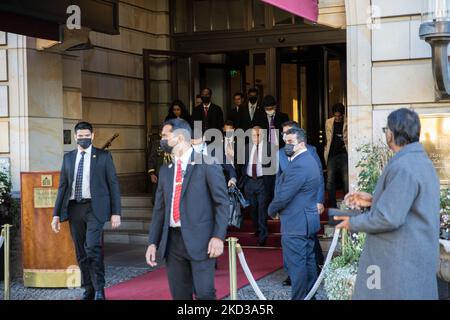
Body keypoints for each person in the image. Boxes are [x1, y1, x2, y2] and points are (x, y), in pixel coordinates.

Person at [335, 108, 441, 300]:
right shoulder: (420, 161)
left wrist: (351, 223)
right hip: (412, 261)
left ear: (390, 134)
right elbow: (410, 204)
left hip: (397, 266)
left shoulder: (404, 165)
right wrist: (374, 199)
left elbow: (388, 218)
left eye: (386, 129)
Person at [145, 118, 229, 300]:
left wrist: (218, 236)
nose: (162, 140)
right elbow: (159, 209)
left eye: (165, 136)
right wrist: (153, 242)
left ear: (180, 137)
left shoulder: (207, 163)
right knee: (179, 296)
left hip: (202, 240)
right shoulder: (165, 169)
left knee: (205, 294)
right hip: (173, 242)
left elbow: (222, 203)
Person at [51, 121, 121, 300]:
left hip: (94, 208)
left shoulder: (104, 156)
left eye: (86, 136)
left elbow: (113, 184)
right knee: (81, 252)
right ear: (75, 137)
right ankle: (88, 288)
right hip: (74, 208)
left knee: (92, 248)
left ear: (93, 136)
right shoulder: (68, 158)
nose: (83, 139)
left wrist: (116, 212)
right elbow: (62, 187)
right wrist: (56, 215)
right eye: (80, 136)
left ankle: (99, 289)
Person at [268, 127, 321, 300]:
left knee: (297, 266)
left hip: (296, 223)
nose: (287, 145)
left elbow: (284, 195)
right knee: (308, 262)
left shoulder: (300, 164)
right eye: (285, 142)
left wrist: (271, 209)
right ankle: (310, 296)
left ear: (301, 143)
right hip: (306, 220)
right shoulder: (308, 160)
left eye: (291, 142)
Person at [279, 121, 325, 286]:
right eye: (283, 133)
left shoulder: (310, 151)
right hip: (289, 207)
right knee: (289, 240)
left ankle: (314, 270)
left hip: (307, 204)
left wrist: (320, 200)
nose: (285, 136)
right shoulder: (280, 154)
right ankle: (292, 274)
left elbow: (318, 175)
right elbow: (279, 180)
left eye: (289, 133)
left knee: (308, 239)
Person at [239, 126, 270, 246]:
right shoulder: (246, 147)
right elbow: (241, 164)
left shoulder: (269, 148)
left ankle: (263, 236)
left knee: (262, 209)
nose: (255, 137)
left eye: (258, 135)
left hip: (262, 182)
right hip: (249, 182)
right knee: (252, 209)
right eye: (253, 135)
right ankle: (257, 228)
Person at [324, 103, 348, 208]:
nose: (337, 118)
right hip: (332, 154)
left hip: (344, 154)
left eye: (339, 116)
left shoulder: (348, 122)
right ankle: (333, 205)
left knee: (346, 181)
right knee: (330, 182)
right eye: (336, 116)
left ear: (343, 114)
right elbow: (328, 138)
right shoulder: (329, 122)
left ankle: (347, 204)